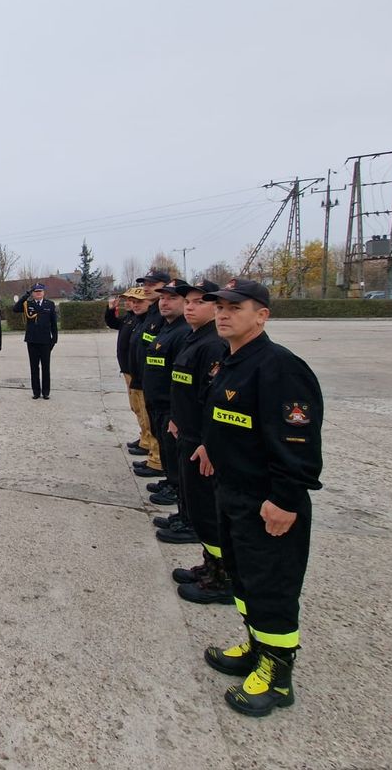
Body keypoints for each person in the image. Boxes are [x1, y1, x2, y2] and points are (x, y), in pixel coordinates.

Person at [195, 279, 323, 717]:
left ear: (262, 315)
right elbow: (229, 419)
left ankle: (277, 677)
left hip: (267, 502)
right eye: (219, 307)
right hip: (233, 494)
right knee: (246, 581)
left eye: (235, 306)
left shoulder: (279, 367)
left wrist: (285, 499)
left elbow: (298, 442)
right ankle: (256, 648)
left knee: (272, 587)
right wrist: (210, 445)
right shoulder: (230, 362)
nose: (223, 313)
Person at [164, 280, 231, 603]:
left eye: (199, 302)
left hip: (203, 443)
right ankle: (211, 565)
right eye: (187, 301)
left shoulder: (213, 345)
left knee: (208, 509)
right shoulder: (194, 338)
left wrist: (208, 440)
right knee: (199, 506)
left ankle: (222, 576)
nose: (190, 307)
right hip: (188, 433)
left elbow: (214, 400)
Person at [140, 279, 192, 516]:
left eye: (172, 298)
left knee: (175, 454)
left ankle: (178, 490)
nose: (165, 302)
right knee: (168, 452)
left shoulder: (183, 332)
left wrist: (177, 412)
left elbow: (181, 377)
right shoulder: (166, 327)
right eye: (162, 298)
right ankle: (172, 482)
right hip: (157, 402)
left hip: (170, 406)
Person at [127, 271, 169, 478]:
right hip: (141, 374)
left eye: (153, 283)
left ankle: (158, 461)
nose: (147, 287)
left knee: (157, 422)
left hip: (153, 379)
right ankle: (154, 455)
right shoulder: (151, 313)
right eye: (145, 283)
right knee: (147, 417)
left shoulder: (162, 315)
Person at [105, 288, 148, 455]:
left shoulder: (143, 320)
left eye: (136, 300)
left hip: (136, 371)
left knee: (143, 408)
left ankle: (148, 442)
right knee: (136, 407)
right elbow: (113, 323)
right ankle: (144, 436)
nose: (130, 303)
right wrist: (110, 310)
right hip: (128, 370)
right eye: (129, 300)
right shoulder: (131, 318)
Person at [12, 283, 58, 399]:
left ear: (43, 292)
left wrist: (54, 339)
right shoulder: (28, 304)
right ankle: (36, 392)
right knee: (34, 367)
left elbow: (54, 324)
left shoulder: (50, 304)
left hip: (45, 340)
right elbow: (15, 308)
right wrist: (25, 295)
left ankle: (46, 392)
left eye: (40, 291)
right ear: (32, 293)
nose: (38, 293)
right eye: (35, 292)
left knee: (45, 367)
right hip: (32, 340)